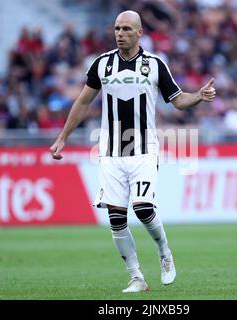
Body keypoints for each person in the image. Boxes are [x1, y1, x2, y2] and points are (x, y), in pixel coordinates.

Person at [49, 10, 216, 293]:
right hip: (111, 152)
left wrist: (198, 96)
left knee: (142, 208)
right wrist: (63, 136)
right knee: (116, 217)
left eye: (126, 29)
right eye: (117, 28)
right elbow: (83, 102)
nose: (120, 33)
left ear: (139, 33)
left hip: (143, 149)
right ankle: (136, 276)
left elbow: (177, 100)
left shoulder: (155, 65)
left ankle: (164, 251)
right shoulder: (102, 64)